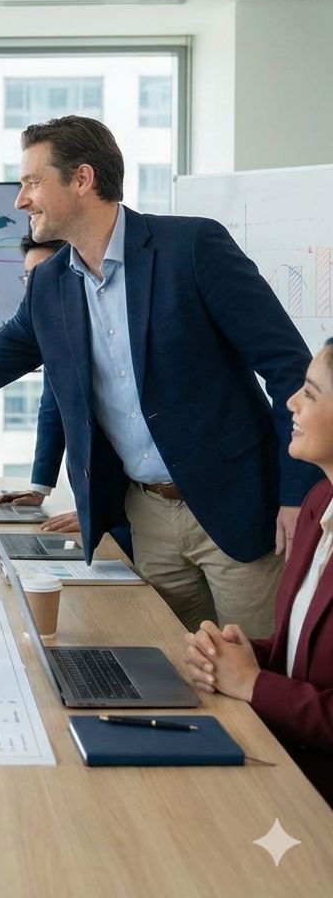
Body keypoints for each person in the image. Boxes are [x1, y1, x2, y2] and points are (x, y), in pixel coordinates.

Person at [0, 115, 321, 636]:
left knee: (259, 684)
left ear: (82, 179)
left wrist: (296, 496)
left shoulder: (192, 248)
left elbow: (289, 367)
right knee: (175, 674)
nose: (21, 200)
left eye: (32, 182)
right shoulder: (50, 286)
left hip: (239, 509)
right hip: (146, 517)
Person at [184, 340, 333, 805]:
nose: (290, 401)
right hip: (285, 761)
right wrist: (239, 654)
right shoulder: (318, 503)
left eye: (309, 393)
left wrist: (252, 682)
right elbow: (304, 654)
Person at [0, 233, 80, 534]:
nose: (34, 285)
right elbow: (53, 410)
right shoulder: (53, 326)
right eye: (28, 277)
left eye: (43, 273)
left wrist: (99, 507)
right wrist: (39, 489)